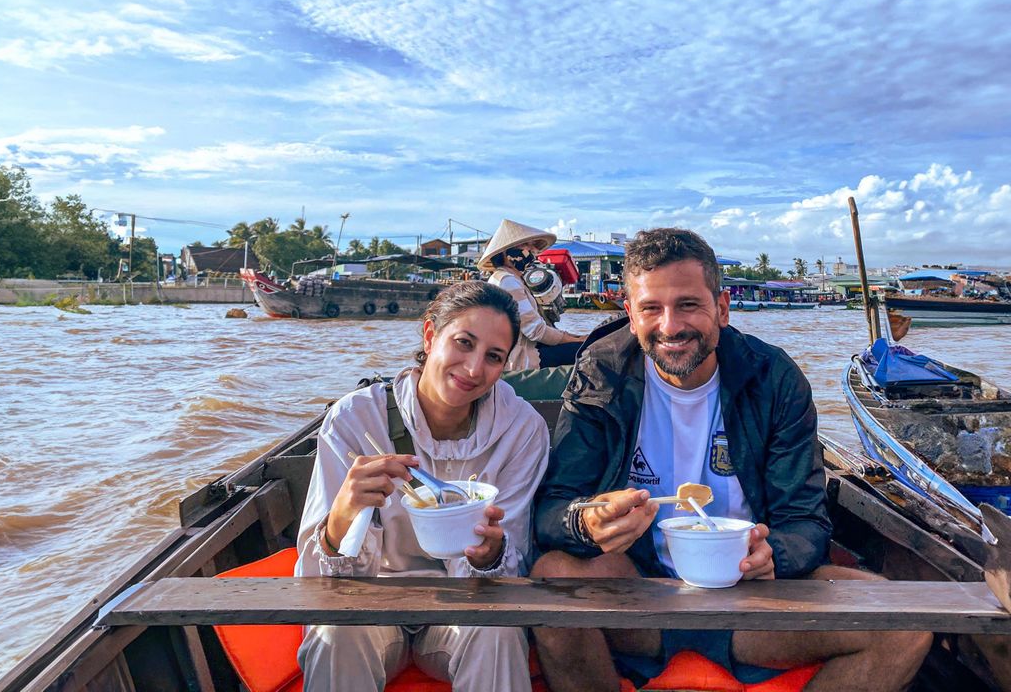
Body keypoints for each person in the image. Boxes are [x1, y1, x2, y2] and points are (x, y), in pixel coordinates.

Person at [531, 227, 932, 692]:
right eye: (651, 309)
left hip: (754, 601)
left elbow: (805, 521)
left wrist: (771, 555)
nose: (670, 326)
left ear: (721, 308)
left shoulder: (774, 378)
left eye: (688, 305)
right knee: (551, 576)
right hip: (640, 592)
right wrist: (587, 521)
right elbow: (553, 508)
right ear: (630, 314)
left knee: (904, 622)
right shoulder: (602, 371)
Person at [295, 281, 550, 692]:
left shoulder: (522, 430)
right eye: (463, 343)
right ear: (430, 336)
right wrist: (343, 513)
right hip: (373, 603)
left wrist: (490, 556)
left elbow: (511, 559)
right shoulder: (355, 419)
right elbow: (318, 581)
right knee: (336, 629)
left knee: (498, 629)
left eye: (493, 357)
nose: (472, 369)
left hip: (462, 610)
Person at [478, 219, 587, 370]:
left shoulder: (510, 278)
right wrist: (577, 340)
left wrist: (573, 337)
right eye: (525, 245)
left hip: (525, 350)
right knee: (587, 351)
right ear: (505, 252)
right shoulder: (507, 281)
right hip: (521, 359)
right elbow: (536, 331)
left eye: (532, 246)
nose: (532, 250)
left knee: (580, 344)